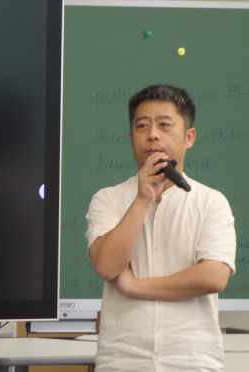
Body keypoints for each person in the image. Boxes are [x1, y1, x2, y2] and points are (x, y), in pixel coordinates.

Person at [85, 84, 236, 371]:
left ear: (189, 137)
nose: (152, 134)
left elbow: (213, 277)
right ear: (131, 137)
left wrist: (134, 286)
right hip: (122, 361)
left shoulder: (211, 202)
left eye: (164, 125)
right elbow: (106, 265)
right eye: (142, 126)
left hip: (192, 361)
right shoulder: (107, 199)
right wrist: (142, 198)